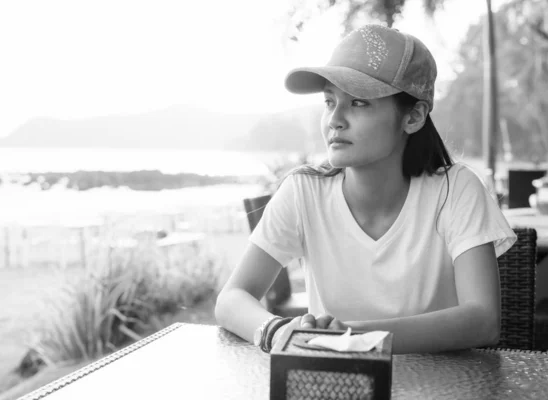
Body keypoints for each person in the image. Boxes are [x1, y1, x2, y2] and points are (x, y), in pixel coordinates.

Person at [215, 24, 516, 354]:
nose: (335, 119)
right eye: (330, 101)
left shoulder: (455, 190)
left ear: (413, 117)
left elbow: (484, 320)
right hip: (338, 384)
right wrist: (275, 331)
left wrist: (357, 335)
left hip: (443, 386)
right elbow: (231, 299)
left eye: (358, 103)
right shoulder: (304, 192)